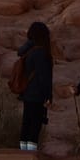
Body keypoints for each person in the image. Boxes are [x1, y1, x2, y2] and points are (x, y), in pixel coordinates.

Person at [15, 21, 56, 152]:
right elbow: (44, 77)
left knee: (26, 122)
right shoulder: (41, 53)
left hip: (27, 93)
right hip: (37, 94)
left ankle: (23, 153)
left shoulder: (28, 51)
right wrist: (48, 96)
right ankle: (30, 155)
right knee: (35, 124)